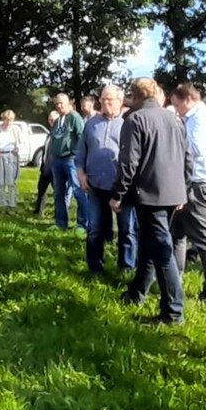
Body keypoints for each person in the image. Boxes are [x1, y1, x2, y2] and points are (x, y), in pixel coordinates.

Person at [114, 78, 192, 324]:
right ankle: (137, 293)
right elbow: (187, 158)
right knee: (149, 244)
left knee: (161, 250)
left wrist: (118, 194)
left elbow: (129, 163)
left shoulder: (135, 119)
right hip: (173, 193)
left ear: (135, 97)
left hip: (149, 194)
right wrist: (183, 188)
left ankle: (173, 311)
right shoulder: (175, 119)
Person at [170, 83, 206, 303]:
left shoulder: (200, 117)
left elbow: (196, 148)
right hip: (188, 182)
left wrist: (173, 144)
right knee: (177, 234)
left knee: (205, 239)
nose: (176, 109)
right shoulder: (193, 117)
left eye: (176, 105)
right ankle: (175, 280)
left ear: (187, 100)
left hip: (200, 183)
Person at [79, 85, 136, 277]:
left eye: (109, 99)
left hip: (122, 186)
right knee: (94, 227)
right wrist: (81, 173)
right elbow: (81, 151)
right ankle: (95, 267)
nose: (104, 103)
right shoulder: (91, 123)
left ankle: (126, 267)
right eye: (102, 99)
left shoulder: (129, 123)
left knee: (127, 229)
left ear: (120, 101)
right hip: (95, 184)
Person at [45, 93, 87, 231]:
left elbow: (82, 137)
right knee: (58, 192)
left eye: (61, 103)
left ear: (68, 103)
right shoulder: (58, 120)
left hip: (71, 159)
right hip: (57, 160)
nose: (58, 106)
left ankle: (82, 224)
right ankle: (60, 222)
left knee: (78, 191)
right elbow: (55, 138)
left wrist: (77, 155)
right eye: (56, 103)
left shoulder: (75, 117)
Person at [0, 109, 27, 209]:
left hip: (11, 156)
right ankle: (3, 204)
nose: (8, 122)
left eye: (11, 120)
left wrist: (18, 148)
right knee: (0, 182)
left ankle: (12, 204)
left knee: (11, 182)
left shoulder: (16, 129)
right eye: (6, 120)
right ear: (3, 119)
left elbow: (23, 142)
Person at [33, 109, 59, 214]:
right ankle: (38, 210)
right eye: (49, 119)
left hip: (55, 168)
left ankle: (58, 213)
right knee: (41, 189)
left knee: (57, 192)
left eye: (53, 119)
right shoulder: (49, 133)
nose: (51, 121)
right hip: (45, 168)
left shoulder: (59, 133)